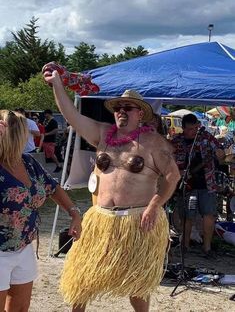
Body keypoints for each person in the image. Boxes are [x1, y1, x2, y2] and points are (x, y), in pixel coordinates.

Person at [43, 66, 180, 312]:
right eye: (117, 108)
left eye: (127, 108)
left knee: (137, 284)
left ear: (141, 113)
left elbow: (172, 176)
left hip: (137, 221)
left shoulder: (154, 142)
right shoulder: (102, 134)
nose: (121, 112)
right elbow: (72, 116)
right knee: (81, 278)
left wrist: (153, 206)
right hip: (100, 219)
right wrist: (57, 85)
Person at [0, 110, 82, 312]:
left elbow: (53, 187)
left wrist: (74, 213)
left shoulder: (28, 163)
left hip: (24, 247)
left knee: (20, 308)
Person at [171, 114, 225, 258]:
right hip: (187, 186)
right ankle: (185, 245)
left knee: (209, 214)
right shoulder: (177, 142)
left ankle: (207, 248)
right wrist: (179, 171)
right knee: (187, 216)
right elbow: (168, 162)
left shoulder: (206, 137)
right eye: (190, 129)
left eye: (196, 127)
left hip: (207, 183)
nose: (194, 131)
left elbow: (219, 149)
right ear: (183, 128)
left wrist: (221, 153)